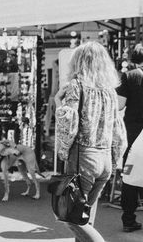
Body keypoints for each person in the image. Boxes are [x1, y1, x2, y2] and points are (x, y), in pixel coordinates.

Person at [54, 41, 127, 241]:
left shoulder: (76, 86)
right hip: (104, 159)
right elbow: (119, 130)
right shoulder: (110, 91)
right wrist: (114, 158)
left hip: (83, 157)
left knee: (71, 217)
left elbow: (68, 123)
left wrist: (58, 103)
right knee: (85, 215)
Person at [116, 44, 143, 232]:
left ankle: (128, 219)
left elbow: (119, 105)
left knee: (130, 175)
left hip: (133, 133)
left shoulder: (131, 76)